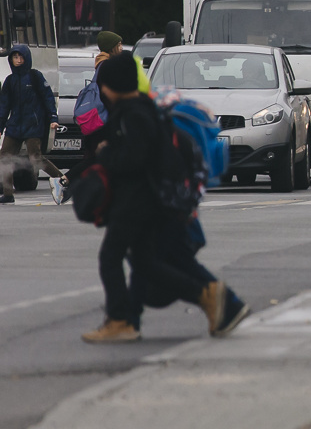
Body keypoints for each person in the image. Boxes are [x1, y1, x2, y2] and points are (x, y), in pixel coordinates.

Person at [84, 52, 247, 343]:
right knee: (145, 263)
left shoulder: (132, 114)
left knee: (112, 257)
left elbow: (135, 159)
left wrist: (107, 153)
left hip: (137, 201)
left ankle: (122, 320)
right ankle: (206, 296)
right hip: (153, 201)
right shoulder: (146, 108)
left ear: (110, 85)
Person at [0, 43, 64, 204]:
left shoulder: (35, 76)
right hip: (15, 125)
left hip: (33, 124)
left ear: (27, 58)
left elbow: (48, 98)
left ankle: (62, 181)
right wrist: (1, 127)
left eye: (21, 57)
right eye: (15, 57)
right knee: (5, 158)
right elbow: (4, 105)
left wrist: (53, 118)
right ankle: (8, 193)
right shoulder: (10, 81)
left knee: (35, 158)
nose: (18, 60)